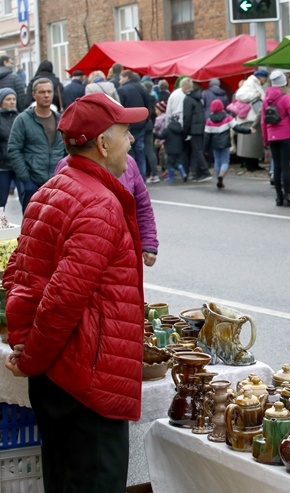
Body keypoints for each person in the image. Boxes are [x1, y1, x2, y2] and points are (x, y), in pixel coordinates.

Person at [3, 92, 148, 493]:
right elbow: (61, 299)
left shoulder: (50, 190)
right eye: (124, 133)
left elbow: (18, 277)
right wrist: (31, 355)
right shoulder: (98, 203)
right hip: (86, 380)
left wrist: (27, 348)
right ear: (102, 144)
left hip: (59, 375)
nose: (131, 141)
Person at [55, 154, 158, 267]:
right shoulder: (68, 165)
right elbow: (57, 217)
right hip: (84, 255)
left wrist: (148, 242)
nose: (131, 139)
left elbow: (142, 207)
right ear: (102, 141)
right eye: (124, 135)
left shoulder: (129, 163)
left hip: (124, 253)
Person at [7, 78, 65, 214]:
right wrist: (26, 179)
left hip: (56, 183)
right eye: (42, 92)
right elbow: (14, 149)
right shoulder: (23, 120)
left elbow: (66, 150)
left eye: (49, 92)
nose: (46, 95)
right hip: (32, 182)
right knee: (31, 225)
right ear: (34, 95)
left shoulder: (60, 119)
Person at [262, 70, 290, 207]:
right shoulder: (286, 98)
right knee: (285, 167)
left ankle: (278, 198)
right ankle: (288, 197)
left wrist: (265, 138)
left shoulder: (266, 100)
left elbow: (263, 121)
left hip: (272, 135)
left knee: (276, 166)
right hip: (286, 134)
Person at [204, 99, 251, 189]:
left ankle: (218, 178)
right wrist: (249, 130)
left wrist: (205, 149)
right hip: (225, 143)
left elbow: (207, 136)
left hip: (215, 144)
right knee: (225, 161)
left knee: (217, 161)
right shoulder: (228, 117)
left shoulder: (209, 120)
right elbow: (237, 128)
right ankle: (222, 176)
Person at [117, 70, 153, 178]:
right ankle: (141, 177)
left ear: (126, 78)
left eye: (121, 78)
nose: (120, 80)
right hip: (141, 124)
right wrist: (146, 120)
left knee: (127, 152)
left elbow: (119, 108)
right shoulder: (142, 88)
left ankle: (130, 177)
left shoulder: (121, 90)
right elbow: (148, 106)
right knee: (140, 151)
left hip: (127, 125)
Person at [234, 70, 268, 171]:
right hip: (250, 117)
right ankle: (250, 165)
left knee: (255, 143)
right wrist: (255, 95)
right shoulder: (250, 83)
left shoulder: (254, 84)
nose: (265, 81)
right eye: (264, 78)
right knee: (250, 144)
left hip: (254, 116)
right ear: (260, 77)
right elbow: (240, 95)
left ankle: (254, 163)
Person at [181, 78, 211, 182]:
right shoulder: (198, 97)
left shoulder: (187, 99)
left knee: (197, 151)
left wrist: (185, 132)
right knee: (197, 150)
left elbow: (187, 117)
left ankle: (205, 171)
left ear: (184, 87)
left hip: (193, 129)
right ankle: (198, 173)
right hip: (201, 126)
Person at [0, 88, 18, 209]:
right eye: (8, 99)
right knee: (1, 200)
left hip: (19, 165)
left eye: (14, 99)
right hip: (2, 166)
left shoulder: (20, 117)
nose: (12, 102)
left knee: (26, 196)